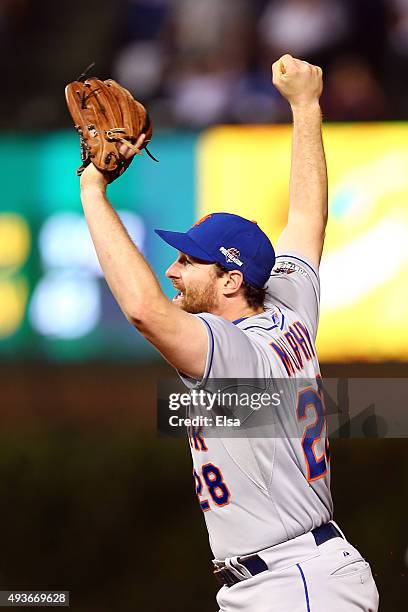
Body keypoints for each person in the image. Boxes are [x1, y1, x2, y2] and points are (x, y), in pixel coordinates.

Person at [79, 54, 379, 612]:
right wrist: (306, 106)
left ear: (232, 281)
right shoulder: (290, 311)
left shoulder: (234, 353)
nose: (173, 270)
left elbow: (144, 310)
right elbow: (308, 219)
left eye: (189, 262)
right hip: (288, 578)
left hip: (297, 582)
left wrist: (93, 191)